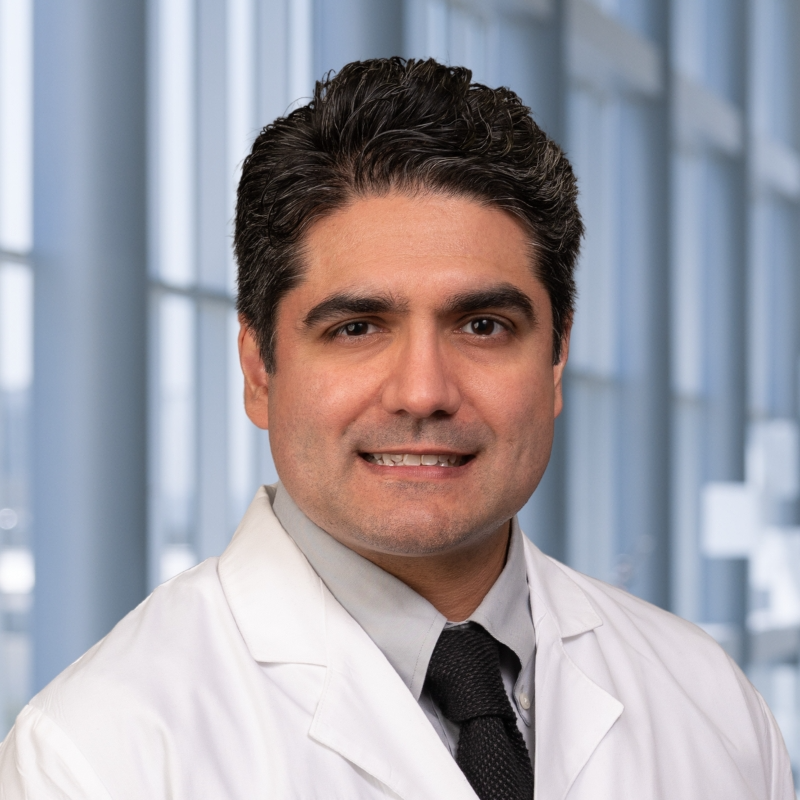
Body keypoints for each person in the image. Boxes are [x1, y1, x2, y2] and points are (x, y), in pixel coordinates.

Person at [0, 58, 792, 799]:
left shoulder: (709, 703)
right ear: (259, 370)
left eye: (483, 326)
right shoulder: (97, 756)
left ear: (556, 361)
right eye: (356, 328)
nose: (423, 392)